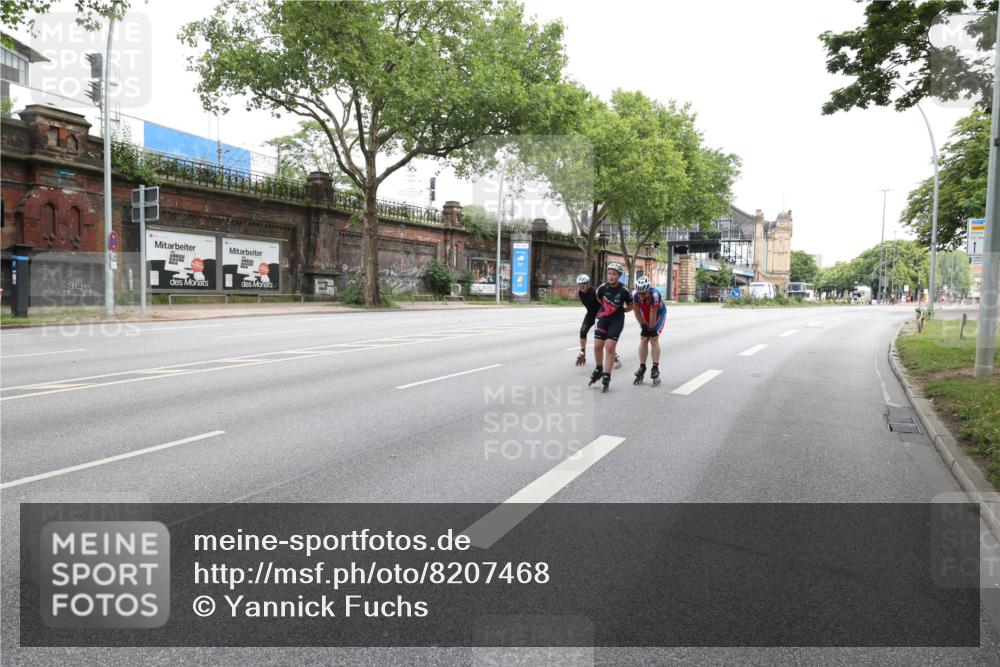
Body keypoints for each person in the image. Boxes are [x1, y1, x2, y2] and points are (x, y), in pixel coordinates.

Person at [588, 262, 632, 392]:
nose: (611, 276)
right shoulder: (602, 288)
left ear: (619, 276)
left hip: (617, 320)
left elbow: (631, 305)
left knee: (610, 346)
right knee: (597, 345)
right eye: (609, 273)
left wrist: (622, 310)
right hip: (602, 317)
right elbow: (599, 299)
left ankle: (607, 375)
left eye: (614, 274)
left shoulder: (624, 290)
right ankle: (598, 368)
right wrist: (608, 308)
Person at [631, 275, 667, 386]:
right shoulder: (634, 294)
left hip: (658, 314)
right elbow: (636, 311)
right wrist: (643, 325)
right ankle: (642, 367)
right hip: (644, 313)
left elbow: (653, 312)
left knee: (653, 338)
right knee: (643, 338)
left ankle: (655, 367)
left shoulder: (654, 295)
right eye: (639, 293)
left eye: (643, 293)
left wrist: (651, 329)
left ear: (648, 290)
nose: (641, 296)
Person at [575, 274, 600, 365]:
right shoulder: (580, 293)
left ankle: (615, 357)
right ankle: (582, 353)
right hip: (590, 315)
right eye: (579, 285)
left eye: (583, 284)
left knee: (602, 336)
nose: (581, 286)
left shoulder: (595, 292)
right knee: (582, 331)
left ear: (588, 284)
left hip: (600, 315)